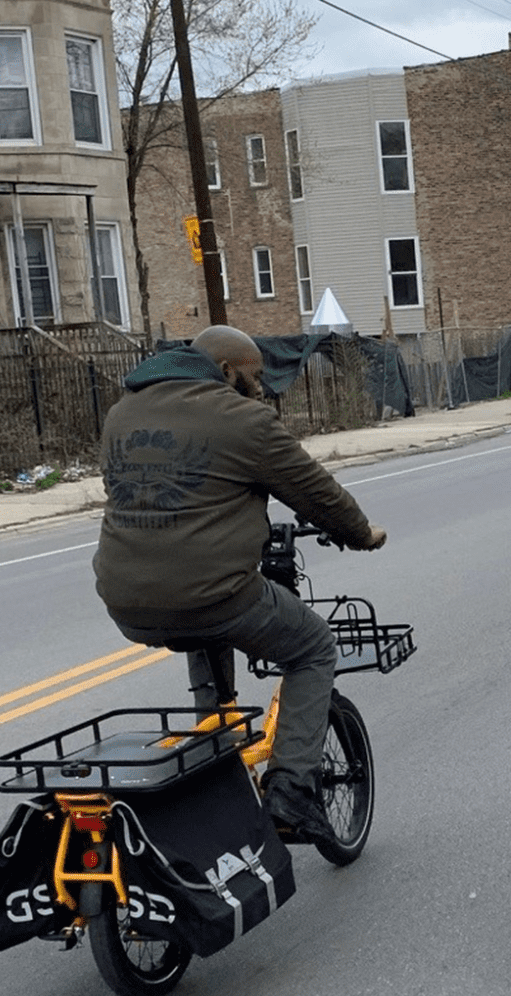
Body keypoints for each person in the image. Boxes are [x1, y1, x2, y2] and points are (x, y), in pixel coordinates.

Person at [92, 325, 386, 844]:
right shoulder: (243, 420)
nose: (263, 388)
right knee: (314, 646)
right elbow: (315, 491)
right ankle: (292, 792)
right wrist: (361, 534)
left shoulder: (122, 414)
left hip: (123, 599)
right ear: (226, 372)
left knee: (195, 606)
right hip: (214, 592)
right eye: (254, 377)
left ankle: (214, 749)